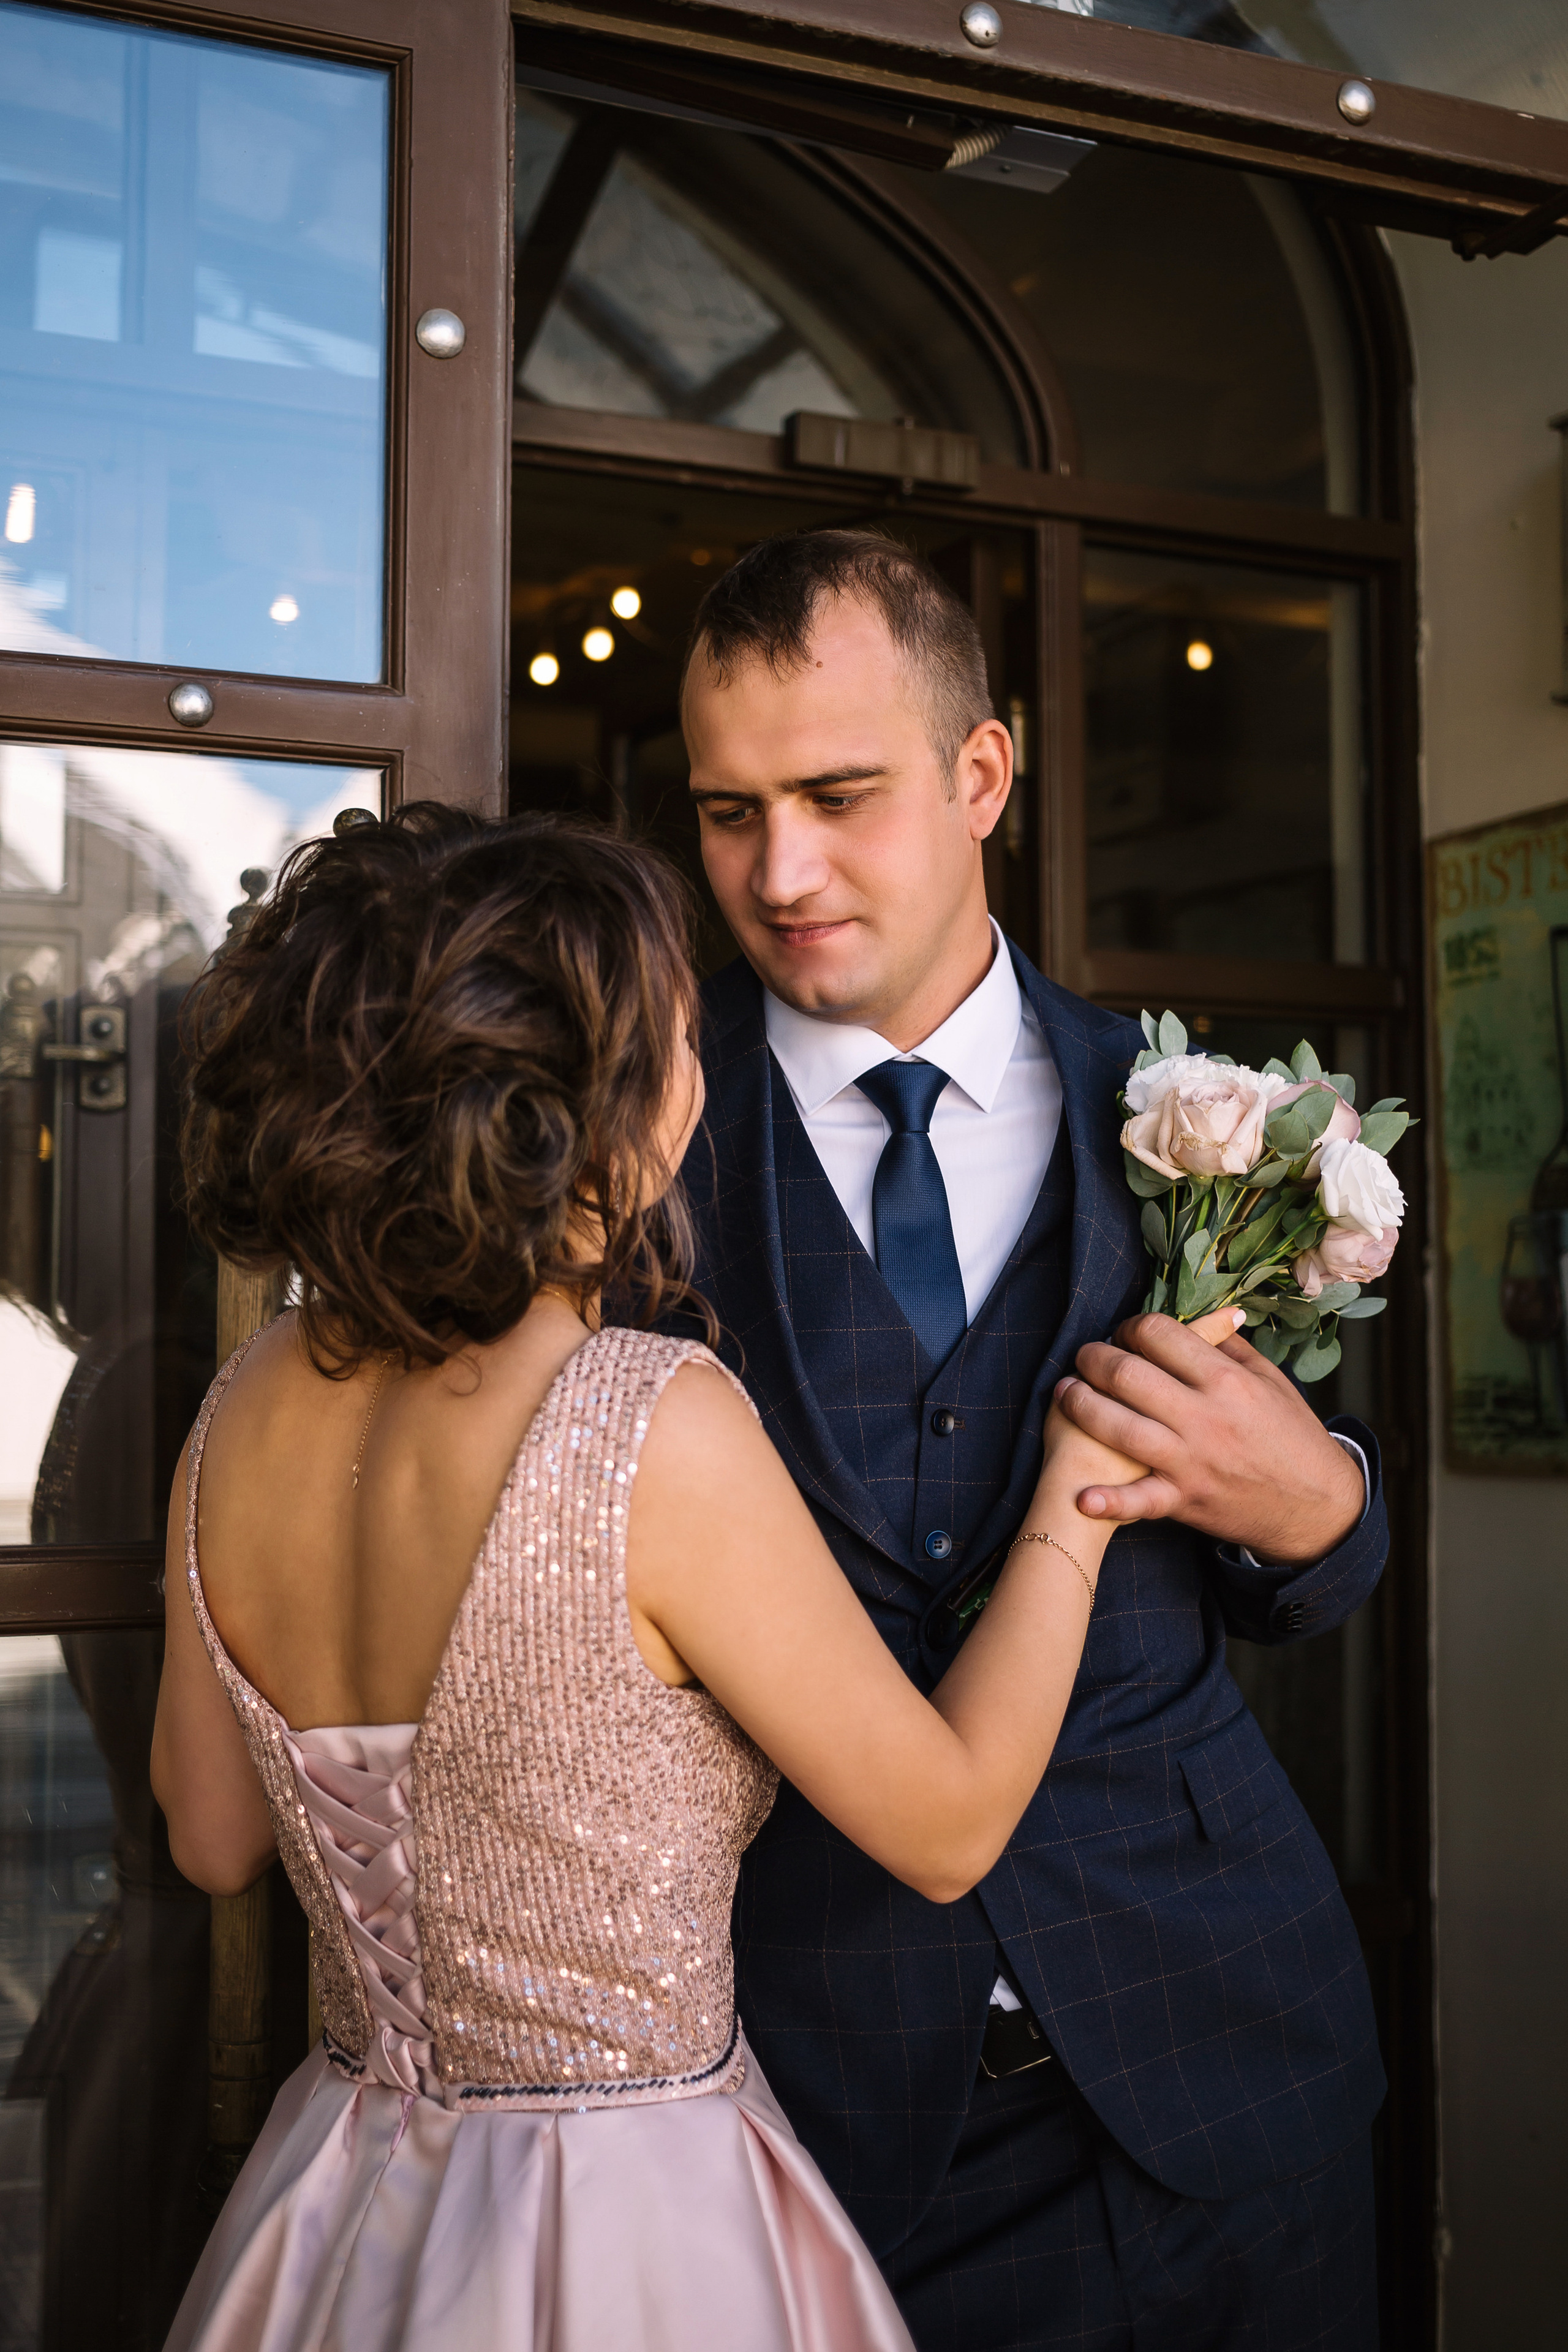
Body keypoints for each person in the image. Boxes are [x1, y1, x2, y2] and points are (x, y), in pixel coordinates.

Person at [151, 804, 1177, 2352]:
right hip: (620, 2218)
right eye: (676, 1033)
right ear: (584, 1113)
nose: (704, 1066)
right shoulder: (639, 1421)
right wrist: (1082, 1500)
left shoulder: (235, 1418)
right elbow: (951, 1823)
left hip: (340, 2192)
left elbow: (215, 1839)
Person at [676, 529, 1390, 2351]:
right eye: (729, 812)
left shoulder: (1204, 1120)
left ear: (982, 772)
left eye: (838, 794)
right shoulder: (630, 1143)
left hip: (1221, 2060)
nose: (784, 868)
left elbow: (1316, 1566)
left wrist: (1318, 1503)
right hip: (815, 2104)